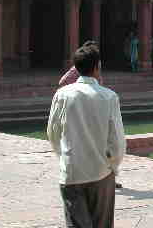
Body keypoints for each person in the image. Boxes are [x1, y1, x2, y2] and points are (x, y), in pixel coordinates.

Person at [48, 44, 126, 227]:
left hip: (72, 172)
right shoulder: (109, 97)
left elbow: (53, 133)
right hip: (101, 172)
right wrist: (113, 165)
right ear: (97, 66)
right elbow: (117, 141)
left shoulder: (62, 95)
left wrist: (64, 158)